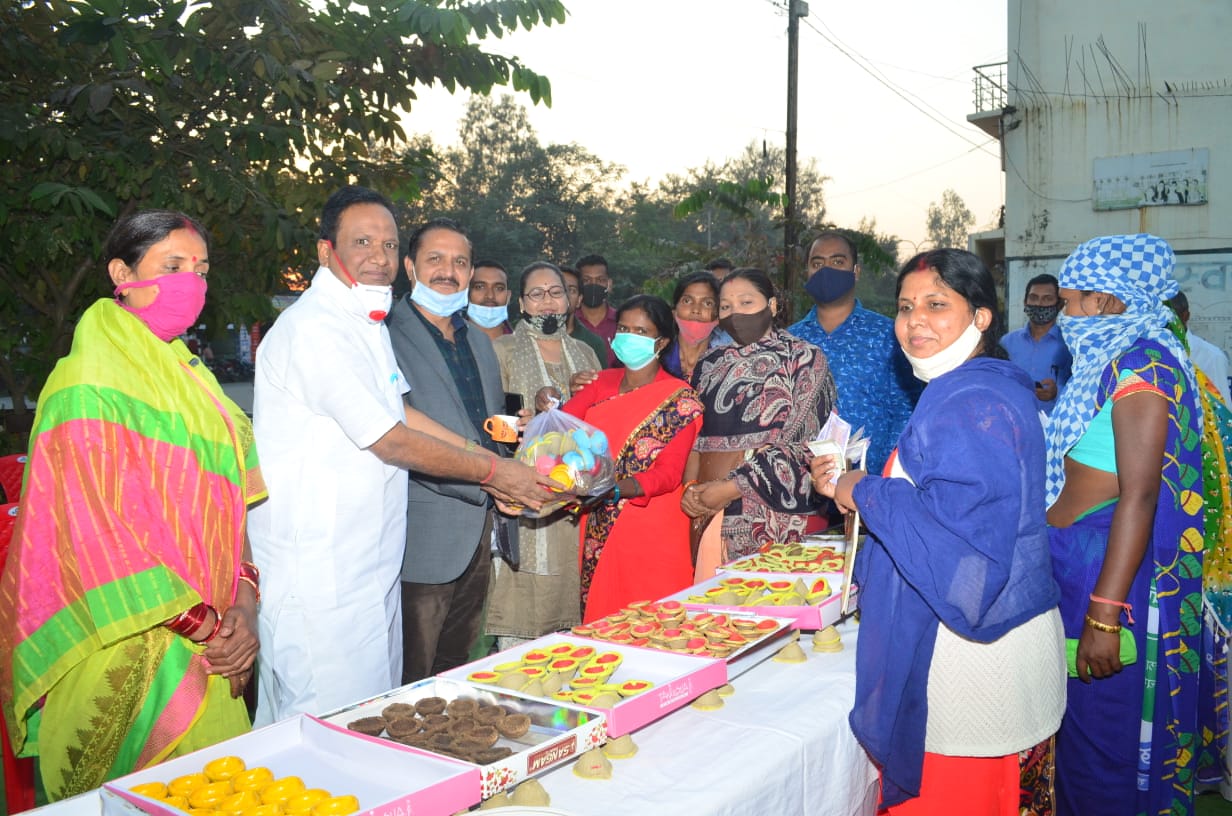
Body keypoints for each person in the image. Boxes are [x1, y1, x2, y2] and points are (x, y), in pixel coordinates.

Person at [249, 187, 556, 724]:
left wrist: (493, 469)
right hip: (323, 572)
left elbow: (406, 415)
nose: (379, 257)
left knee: (378, 713)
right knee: (323, 724)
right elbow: (390, 437)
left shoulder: (362, 322)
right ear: (327, 252)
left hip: (372, 563)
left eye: (388, 244)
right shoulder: (316, 329)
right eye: (362, 242)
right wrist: (493, 470)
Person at [0, 211, 265, 799]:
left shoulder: (197, 383)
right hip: (123, 640)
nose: (191, 283)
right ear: (121, 272)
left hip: (218, 640)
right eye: (171, 266)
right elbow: (92, 536)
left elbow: (231, 509)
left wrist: (245, 605)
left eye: (200, 269)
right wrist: (207, 625)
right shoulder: (83, 385)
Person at [811, 248, 1064, 814]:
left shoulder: (971, 403)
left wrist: (863, 490)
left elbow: (968, 568)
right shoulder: (977, 387)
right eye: (904, 306)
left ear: (980, 317)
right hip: (995, 647)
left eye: (936, 304)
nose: (914, 321)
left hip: (970, 663)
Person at [1044, 234, 1205, 815]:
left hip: (1105, 567)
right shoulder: (1106, 362)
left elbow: (1140, 496)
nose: (1065, 314)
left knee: (1102, 740)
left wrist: (1104, 614)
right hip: (1074, 557)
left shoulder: (1143, 365)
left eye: (1073, 301)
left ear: (1110, 298)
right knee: (1072, 731)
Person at [387, 219, 520, 683]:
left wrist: (518, 449)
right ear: (409, 267)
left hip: (480, 525)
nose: (449, 271)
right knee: (410, 673)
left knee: (454, 668)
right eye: (435, 259)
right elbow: (395, 430)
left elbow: (491, 421)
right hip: (421, 530)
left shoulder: (479, 344)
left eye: (460, 261)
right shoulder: (384, 335)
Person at [681, 268, 836, 578]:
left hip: (774, 516)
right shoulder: (711, 362)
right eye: (725, 306)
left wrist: (731, 487)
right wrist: (691, 490)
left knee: (772, 611)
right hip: (711, 511)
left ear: (772, 306)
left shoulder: (803, 358)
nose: (735, 313)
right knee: (714, 614)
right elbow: (696, 436)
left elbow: (801, 443)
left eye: (746, 302)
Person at [562, 295, 703, 622]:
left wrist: (614, 488)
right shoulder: (600, 383)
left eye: (641, 331)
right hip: (600, 521)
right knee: (603, 618)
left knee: (655, 624)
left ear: (662, 341)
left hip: (652, 525)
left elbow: (669, 474)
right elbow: (563, 429)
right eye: (624, 328)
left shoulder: (680, 398)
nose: (629, 337)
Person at [487, 262, 602, 646]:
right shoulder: (500, 351)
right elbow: (487, 426)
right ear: (521, 303)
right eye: (536, 294)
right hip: (523, 497)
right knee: (523, 623)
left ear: (569, 299)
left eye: (555, 292)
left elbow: (599, 430)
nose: (547, 303)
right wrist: (528, 421)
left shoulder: (586, 354)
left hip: (576, 500)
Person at [787, 231, 921, 474]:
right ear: (807, 272)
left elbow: (906, 407)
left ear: (856, 271)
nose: (826, 271)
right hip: (799, 487)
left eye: (838, 262)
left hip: (870, 485)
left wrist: (884, 471)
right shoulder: (789, 341)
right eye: (817, 264)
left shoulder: (888, 334)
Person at [999, 273, 1073, 414]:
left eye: (1047, 299)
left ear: (1059, 304)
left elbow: (1083, 388)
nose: (1039, 304)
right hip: (1014, 424)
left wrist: (1057, 392)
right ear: (1025, 302)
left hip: (1054, 428)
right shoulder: (1007, 343)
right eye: (1033, 298)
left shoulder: (1070, 345)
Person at [1169, 290, 1230, 405]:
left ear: (1185, 316)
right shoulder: (1145, 352)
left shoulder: (1211, 357)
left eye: (1169, 318)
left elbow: (1223, 411)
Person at [663, 270, 723, 382]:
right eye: (687, 301)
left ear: (718, 316)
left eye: (707, 303)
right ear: (674, 311)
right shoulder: (658, 359)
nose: (696, 310)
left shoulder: (724, 365)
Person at [559, 265, 611, 365]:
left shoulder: (593, 344)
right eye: (558, 289)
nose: (565, 295)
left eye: (571, 290)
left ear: (579, 300)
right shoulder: (527, 337)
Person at [575, 253, 618, 365]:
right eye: (586, 280)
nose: (593, 285)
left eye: (600, 280)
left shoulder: (622, 323)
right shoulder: (568, 323)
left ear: (609, 284)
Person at [467, 259, 514, 340]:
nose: (490, 296)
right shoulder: (447, 343)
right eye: (480, 287)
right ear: (466, 294)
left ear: (508, 296)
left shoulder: (527, 348)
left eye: (499, 288)